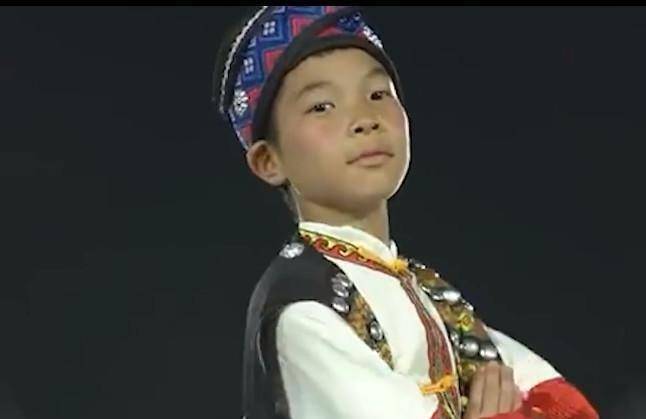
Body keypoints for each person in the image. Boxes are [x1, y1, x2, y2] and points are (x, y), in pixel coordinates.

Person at [212, 6, 599, 419]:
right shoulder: (303, 310)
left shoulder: (424, 289)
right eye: (322, 106)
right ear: (269, 161)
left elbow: (563, 404)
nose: (365, 119)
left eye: (378, 95)